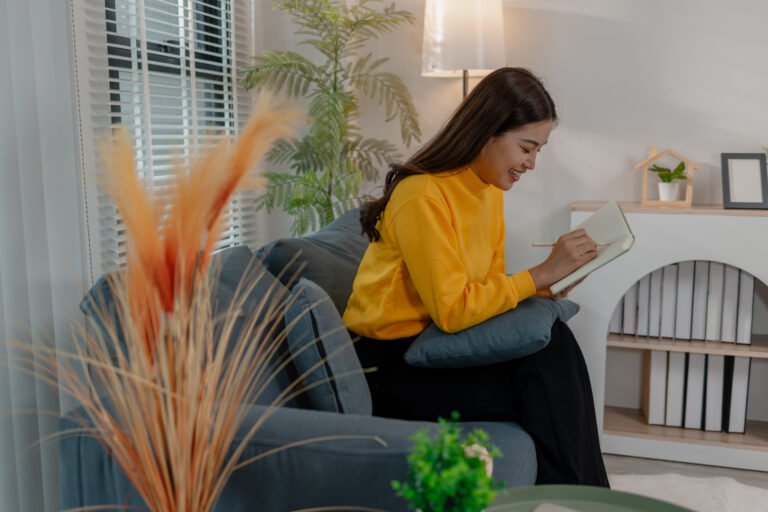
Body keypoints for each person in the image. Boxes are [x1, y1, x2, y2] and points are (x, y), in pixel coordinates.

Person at [342, 67, 610, 487]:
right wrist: (539, 272)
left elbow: (484, 289)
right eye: (526, 148)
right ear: (487, 132)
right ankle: (582, 496)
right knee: (543, 371)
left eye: (538, 150)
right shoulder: (422, 194)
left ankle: (580, 496)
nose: (531, 163)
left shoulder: (486, 190)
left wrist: (546, 287)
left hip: (436, 346)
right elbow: (452, 310)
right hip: (388, 365)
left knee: (552, 340)